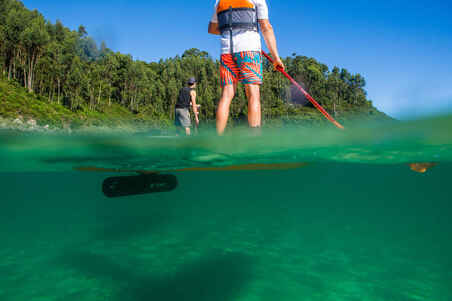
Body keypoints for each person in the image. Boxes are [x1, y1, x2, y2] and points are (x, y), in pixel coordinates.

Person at [208, 0, 285, 135]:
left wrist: (232, 29)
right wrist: (275, 58)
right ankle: (254, 138)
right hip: (249, 50)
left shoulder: (219, 2)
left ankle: (218, 138)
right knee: (253, 94)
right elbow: (266, 27)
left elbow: (212, 29)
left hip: (227, 51)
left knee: (226, 95)